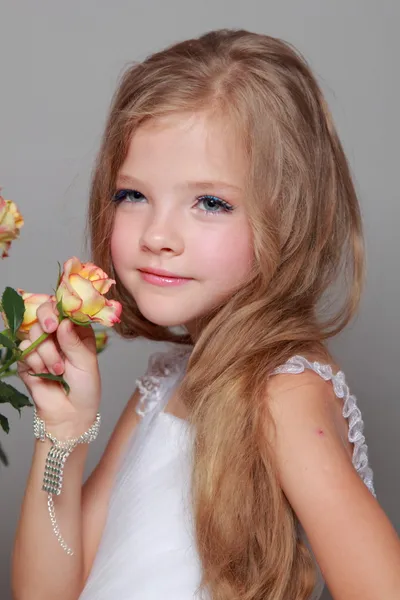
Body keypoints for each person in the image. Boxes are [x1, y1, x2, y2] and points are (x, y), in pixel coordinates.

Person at [11, 29, 400, 600]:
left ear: (286, 217)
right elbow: (49, 593)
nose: (158, 235)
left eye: (211, 202)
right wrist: (62, 435)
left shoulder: (281, 396)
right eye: (132, 195)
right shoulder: (168, 380)